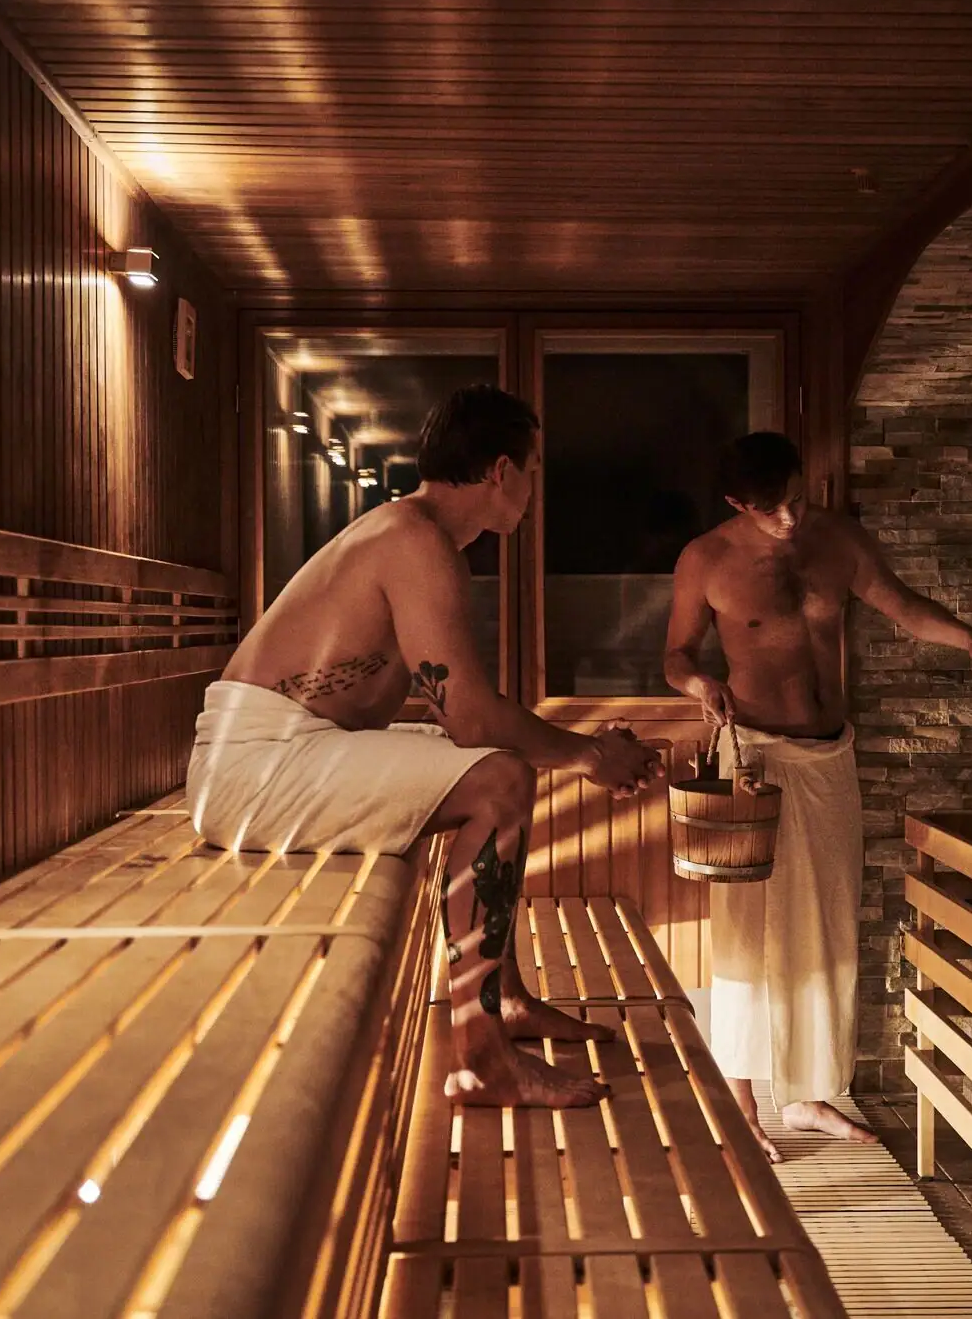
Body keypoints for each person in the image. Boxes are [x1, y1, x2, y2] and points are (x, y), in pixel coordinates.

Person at [188, 384, 663, 1109]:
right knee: (498, 777)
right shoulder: (414, 541)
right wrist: (591, 755)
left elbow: (458, 722)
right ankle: (483, 1058)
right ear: (501, 470)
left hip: (276, 754)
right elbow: (474, 721)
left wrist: (581, 751)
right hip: (253, 765)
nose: (535, 490)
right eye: (533, 470)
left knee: (487, 770)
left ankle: (501, 1001)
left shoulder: (414, 535)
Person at [664, 431, 972, 1160]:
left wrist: (967, 638)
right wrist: (700, 684)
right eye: (770, 510)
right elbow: (677, 655)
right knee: (746, 932)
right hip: (754, 755)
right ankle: (742, 1104)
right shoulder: (707, 559)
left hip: (829, 756)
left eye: (795, 500)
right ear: (736, 504)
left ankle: (806, 1094)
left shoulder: (837, 540)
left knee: (826, 922)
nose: (789, 519)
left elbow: (901, 604)